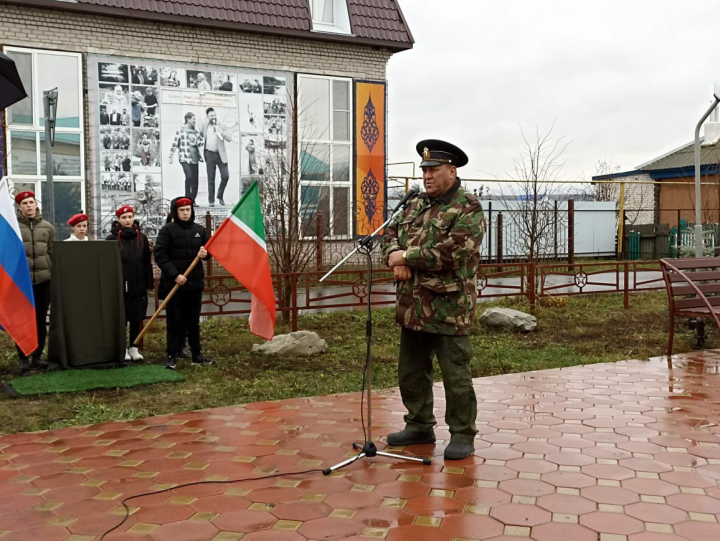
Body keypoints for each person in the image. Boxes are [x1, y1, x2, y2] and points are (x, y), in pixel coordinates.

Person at [380, 139, 485, 461]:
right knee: (411, 372)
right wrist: (393, 259)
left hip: (449, 308)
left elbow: (453, 253)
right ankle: (419, 425)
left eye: (433, 170)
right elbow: (389, 236)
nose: (426, 176)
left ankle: (463, 433)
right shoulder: (415, 203)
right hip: (412, 305)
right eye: (424, 170)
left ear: (451, 171)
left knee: (455, 375)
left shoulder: (468, 206)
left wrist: (406, 257)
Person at [154, 197, 214, 369]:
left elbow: (209, 252)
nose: (186, 213)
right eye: (182, 210)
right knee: (174, 321)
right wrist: (175, 275)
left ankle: (197, 355)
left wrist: (206, 254)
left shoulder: (200, 230)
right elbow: (160, 255)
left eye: (188, 209)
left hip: (194, 285)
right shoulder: (167, 230)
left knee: (193, 321)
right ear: (175, 212)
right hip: (174, 285)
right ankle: (172, 355)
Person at [106, 205, 153, 362]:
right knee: (122, 317)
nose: (128, 220)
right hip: (121, 285)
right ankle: (122, 348)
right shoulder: (112, 238)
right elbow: (109, 264)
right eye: (124, 217)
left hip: (138, 284)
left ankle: (134, 347)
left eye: (130, 217)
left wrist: (148, 282)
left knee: (136, 316)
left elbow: (147, 261)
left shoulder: (142, 237)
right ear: (118, 219)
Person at [14, 191, 55, 372]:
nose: (29, 206)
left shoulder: (47, 227)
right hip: (21, 283)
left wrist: (51, 272)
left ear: (36, 205)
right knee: (21, 320)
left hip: (43, 281)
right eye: (25, 203)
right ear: (19, 207)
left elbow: (52, 253)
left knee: (39, 319)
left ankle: (37, 355)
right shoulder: (12, 227)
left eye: (31, 202)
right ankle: (23, 357)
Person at [169, 112, 203, 201]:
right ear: (188, 119)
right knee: (189, 177)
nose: (195, 121)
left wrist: (200, 140)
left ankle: (192, 200)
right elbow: (174, 143)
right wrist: (171, 156)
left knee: (195, 181)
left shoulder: (196, 131)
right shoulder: (180, 130)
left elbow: (200, 143)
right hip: (184, 157)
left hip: (195, 158)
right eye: (193, 119)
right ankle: (187, 198)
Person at [202, 107, 233, 206]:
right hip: (209, 154)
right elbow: (200, 136)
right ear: (207, 117)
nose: (213, 117)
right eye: (211, 115)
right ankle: (211, 201)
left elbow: (229, 139)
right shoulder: (204, 126)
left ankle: (220, 195)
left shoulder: (222, 125)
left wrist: (221, 131)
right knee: (211, 178)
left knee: (225, 176)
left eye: (214, 115)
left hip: (220, 155)